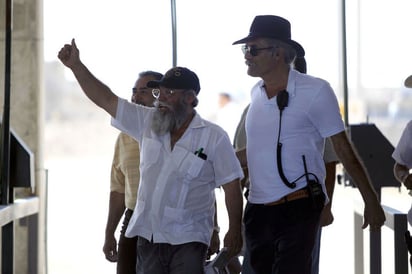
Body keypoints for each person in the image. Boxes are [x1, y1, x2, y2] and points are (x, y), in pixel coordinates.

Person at [58, 39, 244, 274]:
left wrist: (233, 229)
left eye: (169, 92)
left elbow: (232, 186)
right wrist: (76, 66)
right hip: (148, 235)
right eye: (159, 92)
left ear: (190, 99)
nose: (161, 98)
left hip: (188, 239)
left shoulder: (214, 137)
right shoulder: (147, 122)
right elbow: (105, 99)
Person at [232, 15, 386, 274]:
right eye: (245, 49)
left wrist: (370, 200)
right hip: (257, 211)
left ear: (278, 53)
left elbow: (343, 150)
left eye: (253, 49)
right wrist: (212, 161)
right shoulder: (255, 95)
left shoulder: (315, 90)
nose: (246, 55)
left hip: (299, 208)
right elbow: (257, 151)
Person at [102, 71, 162, 274]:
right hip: (133, 218)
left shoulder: (177, 132)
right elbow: (118, 190)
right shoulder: (123, 138)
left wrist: (213, 229)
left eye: (143, 92)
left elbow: (201, 183)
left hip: (167, 221)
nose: (135, 97)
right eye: (134, 91)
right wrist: (109, 232)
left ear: (160, 94)